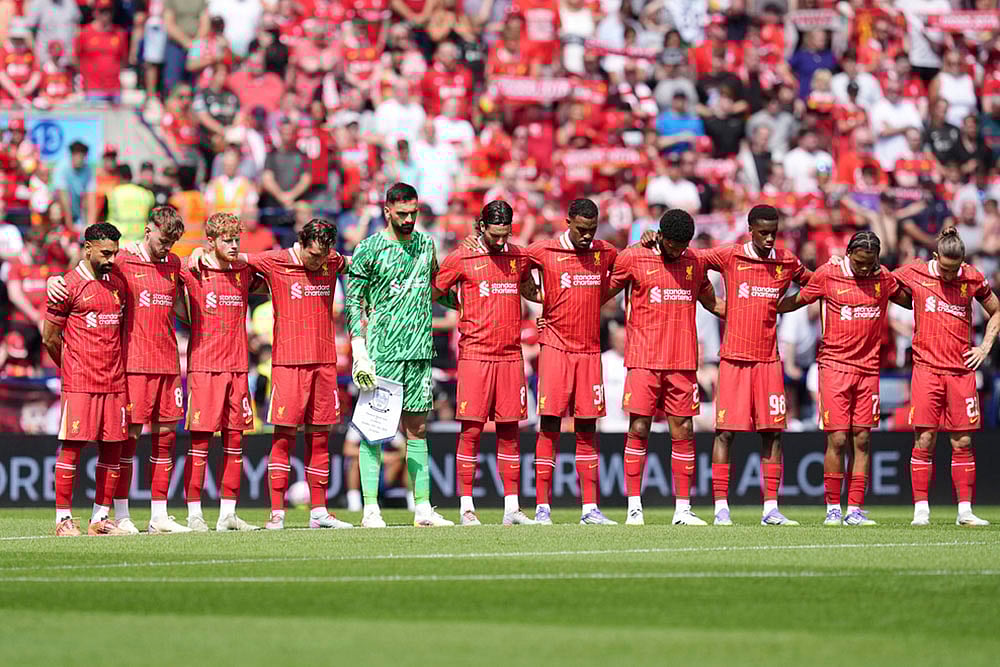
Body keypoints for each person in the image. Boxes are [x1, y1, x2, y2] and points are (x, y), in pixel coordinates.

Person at [47, 206, 190, 535]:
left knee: (139, 442)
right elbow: (53, 331)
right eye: (164, 239)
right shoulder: (120, 260)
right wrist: (55, 278)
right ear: (148, 230)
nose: (168, 246)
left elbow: (184, 300)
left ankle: (132, 516)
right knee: (103, 443)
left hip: (149, 368)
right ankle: (83, 517)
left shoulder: (169, 265)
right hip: (120, 369)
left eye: (174, 241)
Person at [777, 232, 912, 525]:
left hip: (868, 369)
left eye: (870, 263)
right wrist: (766, 307)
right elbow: (797, 300)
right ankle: (832, 508)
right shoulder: (828, 274)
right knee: (837, 439)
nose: (865, 269)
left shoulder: (882, 278)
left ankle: (855, 509)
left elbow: (912, 301)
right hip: (835, 367)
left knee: (862, 439)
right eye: (860, 262)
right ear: (849, 253)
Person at [346, 182, 456, 528]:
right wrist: (359, 348)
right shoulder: (370, 248)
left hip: (420, 350)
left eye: (414, 213)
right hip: (383, 352)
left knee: (418, 429)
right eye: (403, 213)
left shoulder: (426, 244)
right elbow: (353, 301)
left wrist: (474, 304)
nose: (409, 219)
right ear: (387, 211)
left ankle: (422, 508)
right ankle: (370, 509)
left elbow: (437, 288)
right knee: (374, 429)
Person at [695, 204, 812, 525]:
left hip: (769, 362)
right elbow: (693, 261)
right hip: (733, 360)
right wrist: (715, 304)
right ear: (750, 229)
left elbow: (814, 286)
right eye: (763, 233)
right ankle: (721, 508)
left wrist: (784, 306)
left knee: (772, 434)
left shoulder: (785, 261)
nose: (770, 238)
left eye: (774, 232)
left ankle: (770, 509)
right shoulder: (731, 256)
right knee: (725, 434)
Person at [608, 209, 725, 526]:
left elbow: (712, 302)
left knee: (684, 431)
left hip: (682, 362)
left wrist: (748, 316)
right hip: (643, 359)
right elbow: (605, 294)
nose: (677, 250)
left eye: (683, 244)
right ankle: (634, 507)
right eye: (673, 243)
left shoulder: (695, 261)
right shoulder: (635, 257)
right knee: (639, 428)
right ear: (660, 235)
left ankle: (683, 509)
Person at [432, 200, 540, 526]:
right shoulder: (462, 257)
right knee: (471, 430)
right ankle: (466, 507)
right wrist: (462, 303)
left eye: (505, 234)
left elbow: (530, 290)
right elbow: (435, 291)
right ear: (481, 227)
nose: (500, 241)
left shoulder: (518, 257)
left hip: (510, 355)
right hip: (475, 354)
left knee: (510, 431)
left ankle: (512, 508)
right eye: (494, 235)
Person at [893, 228, 1000, 526]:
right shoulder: (915, 271)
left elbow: (996, 310)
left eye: (955, 269)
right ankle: (921, 511)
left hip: (961, 371)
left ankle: (964, 511)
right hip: (926, 369)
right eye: (945, 268)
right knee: (925, 438)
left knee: (962, 441)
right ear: (935, 257)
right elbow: (882, 279)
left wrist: (985, 346)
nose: (951, 276)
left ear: (963, 261)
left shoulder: (972, 277)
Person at [526, 199, 618, 525]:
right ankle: (542, 508)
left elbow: (627, 267)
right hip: (554, 350)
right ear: (568, 222)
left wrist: (649, 239)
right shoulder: (544, 251)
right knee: (550, 424)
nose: (586, 236)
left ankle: (589, 508)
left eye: (591, 230)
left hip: (589, 352)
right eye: (581, 229)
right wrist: (537, 296)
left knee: (587, 428)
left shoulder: (604, 252)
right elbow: (514, 264)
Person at [42, 222, 130, 536]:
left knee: (112, 449)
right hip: (81, 382)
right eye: (105, 252)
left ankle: (100, 519)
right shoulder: (68, 284)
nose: (111, 258)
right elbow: (50, 337)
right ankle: (63, 520)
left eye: (115, 253)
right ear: (87, 247)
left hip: (114, 382)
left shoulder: (117, 281)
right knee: (72, 446)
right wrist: (71, 368)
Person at [179, 213, 259, 531]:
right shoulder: (195, 269)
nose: (234, 244)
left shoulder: (243, 270)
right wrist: (193, 254)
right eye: (227, 239)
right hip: (204, 367)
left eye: (237, 239)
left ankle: (228, 514)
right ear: (210, 241)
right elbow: (168, 268)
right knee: (199, 443)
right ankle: (194, 513)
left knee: (235, 441)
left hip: (238, 367)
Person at [107, 165, 156, 244]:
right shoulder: (146, 194)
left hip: (119, 242)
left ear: (118, 177)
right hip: (140, 242)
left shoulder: (113, 193)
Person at [54, 140, 95, 229]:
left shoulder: (88, 170)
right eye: (76, 154)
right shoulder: (62, 167)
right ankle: (56, 231)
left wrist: (91, 225)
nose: (79, 158)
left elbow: (91, 198)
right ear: (72, 155)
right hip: (60, 206)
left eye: (82, 155)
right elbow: (63, 196)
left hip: (76, 208)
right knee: (55, 210)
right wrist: (70, 225)